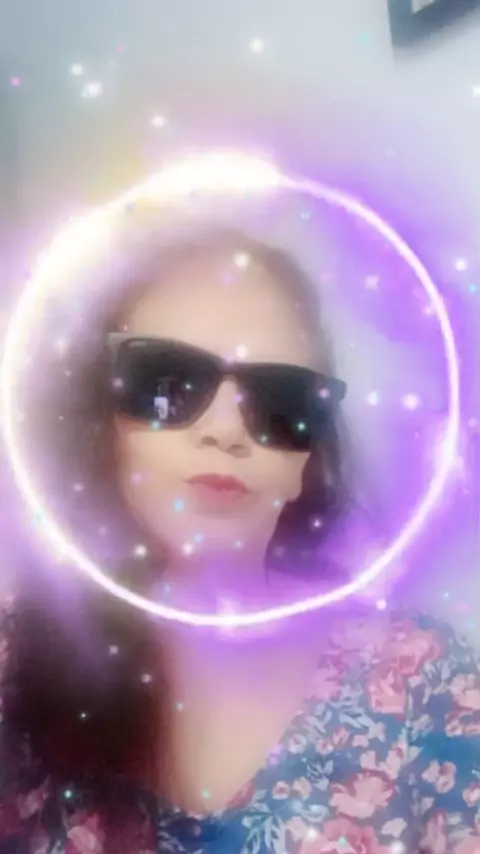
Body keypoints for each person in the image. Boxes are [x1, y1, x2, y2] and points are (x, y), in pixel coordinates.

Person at [1, 227, 479, 854]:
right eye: (167, 381)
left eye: (281, 402)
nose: (226, 431)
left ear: (305, 461)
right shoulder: (14, 661)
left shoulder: (425, 679)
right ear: (101, 421)